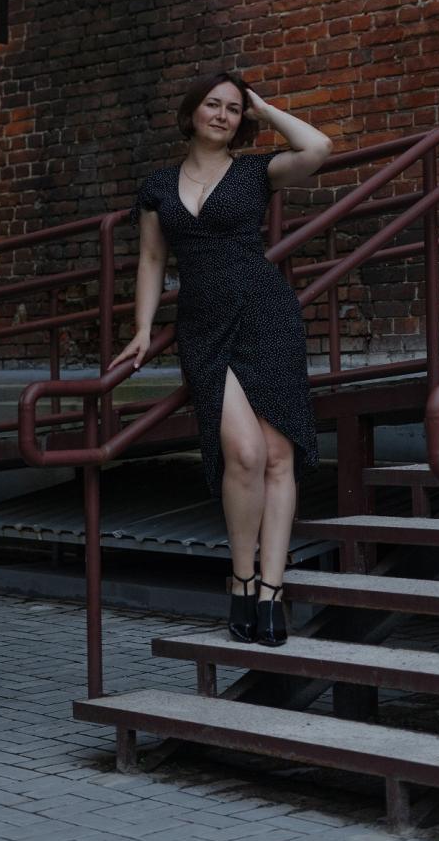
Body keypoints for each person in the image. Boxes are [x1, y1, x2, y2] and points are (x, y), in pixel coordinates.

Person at [112, 70, 332, 647]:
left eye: (233, 109)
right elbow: (152, 260)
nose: (222, 115)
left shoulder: (257, 172)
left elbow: (318, 149)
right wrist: (142, 328)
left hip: (266, 314)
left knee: (278, 455)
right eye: (213, 105)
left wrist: (266, 110)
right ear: (191, 113)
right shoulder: (159, 186)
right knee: (244, 453)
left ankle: (272, 591)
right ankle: (241, 578)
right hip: (204, 326)